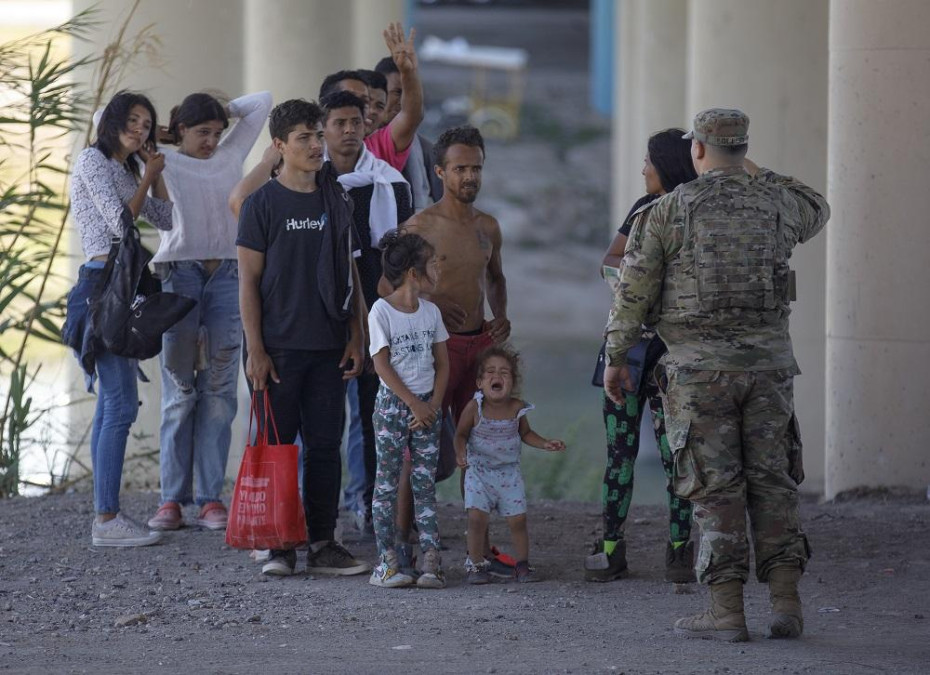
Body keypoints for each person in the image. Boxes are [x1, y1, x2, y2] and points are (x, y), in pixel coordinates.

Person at [604, 108, 829, 641]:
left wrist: (617, 357)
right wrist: (750, 168)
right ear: (743, 148)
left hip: (698, 374)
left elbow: (632, 292)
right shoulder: (777, 201)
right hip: (769, 369)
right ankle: (786, 603)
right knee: (773, 483)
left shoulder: (667, 211)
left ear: (696, 151)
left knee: (715, 488)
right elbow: (818, 207)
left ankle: (726, 610)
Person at [236, 98, 368, 577]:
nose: (316, 145)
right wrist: (256, 350)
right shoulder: (262, 205)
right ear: (279, 147)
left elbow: (351, 272)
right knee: (276, 447)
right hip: (279, 350)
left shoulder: (337, 200)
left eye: (318, 135)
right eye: (304, 138)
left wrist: (357, 335)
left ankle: (323, 542)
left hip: (329, 346)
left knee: (326, 447)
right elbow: (247, 283)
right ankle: (278, 545)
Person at [147, 90, 272, 532]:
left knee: (219, 391)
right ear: (179, 130)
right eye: (202, 132)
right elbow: (108, 116)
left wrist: (222, 111)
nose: (212, 141)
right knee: (180, 390)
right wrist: (159, 128)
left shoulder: (229, 153)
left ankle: (209, 498)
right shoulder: (161, 155)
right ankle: (171, 499)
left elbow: (263, 102)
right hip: (178, 276)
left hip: (228, 278)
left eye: (218, 132)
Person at [585, 129, 697, 584]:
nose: (642, 169)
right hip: (634, 348)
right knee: (622, 453)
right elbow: (611, 259)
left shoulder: (688, 209)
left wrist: (641, 288)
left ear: (666, 165)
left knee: (675, 455)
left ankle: (678, 553)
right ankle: (614, 549)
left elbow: (615, 263)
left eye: (648, 161)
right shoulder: (643, 208)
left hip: (662, 350)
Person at [400, 125, 510, 572]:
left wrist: (501, 316)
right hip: (433, 352)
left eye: (476, 168)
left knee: (480, 445)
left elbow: (496, 278)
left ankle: (477, 551)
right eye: (461, 168)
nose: (470, 177)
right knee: (420, 444)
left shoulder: (488, 227)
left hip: (479, 348)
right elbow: (392, 285)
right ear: (440, 171)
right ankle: (402, 543)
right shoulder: (419, 226)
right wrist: (429, 311)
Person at [65, 91, 172, 547]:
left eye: (147, 123)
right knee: (121, 404)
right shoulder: (92, 160)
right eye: (132, 120)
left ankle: (105, 516)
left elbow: (165, 218)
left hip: (121, 286)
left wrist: (154, 173)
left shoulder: (125, 170)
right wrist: (147, 176)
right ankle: (106, 520)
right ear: (111, 121)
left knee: (114, 404)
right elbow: (118, 226)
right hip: (100, 285)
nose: (140, 129)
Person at [320, 89, 414, 541]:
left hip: (378, 313)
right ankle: (318, 514)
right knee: (322, 420)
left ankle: (376, 510)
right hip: (320, 314)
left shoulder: (391, 183)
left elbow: (402, 253)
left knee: (377, 417)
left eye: (357, 121)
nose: (350, 130)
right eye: (339, 122)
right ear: (323, 128)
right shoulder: (305, 181)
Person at [368, 230, 449, 589]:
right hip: (392, 409)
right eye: (433, 263)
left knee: (424, 485)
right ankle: (387, 563)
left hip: (428, 411)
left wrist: (432, 404)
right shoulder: (381, 310)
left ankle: (430, 561)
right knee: (386, 484)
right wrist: (413, 402)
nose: (439, 269)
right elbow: (381, 364)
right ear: (414, 273)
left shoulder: (431, 312)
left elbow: (443, 364)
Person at [454, 345, 565, 584]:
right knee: (476, 519)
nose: (498, 376)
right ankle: (475, 565)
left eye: (504, 373)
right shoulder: (475, 407)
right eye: (491, 372)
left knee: (518, 520)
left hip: (508, 474)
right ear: (480, 383)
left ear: (512, 383)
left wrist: (545, 443)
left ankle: (522, 565)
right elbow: (460, 434)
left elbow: (526, 433)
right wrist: (460, 453)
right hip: (479, 473)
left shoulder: (517, 408)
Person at [318, 22, 423, 173]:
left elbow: (411, 115)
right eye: (352, 99)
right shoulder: (307, 150)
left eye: (365, 102)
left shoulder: (382, 144)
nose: (367, 109)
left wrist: (408, 73)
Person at [375, 56, 443, 212]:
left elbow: (446, 206)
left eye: (409, 93)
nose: (404, 101)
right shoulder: (357, 145)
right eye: (397, 92)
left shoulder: (427, 151)